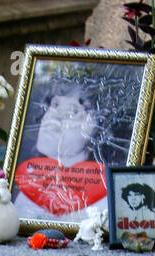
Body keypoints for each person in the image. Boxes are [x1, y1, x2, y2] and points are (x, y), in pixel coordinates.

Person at [13, 84, 110, 223]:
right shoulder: (29, 188)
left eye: (73, 111)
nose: (54, 116)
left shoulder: (102, 200)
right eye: (54, 105)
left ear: (95, 127)